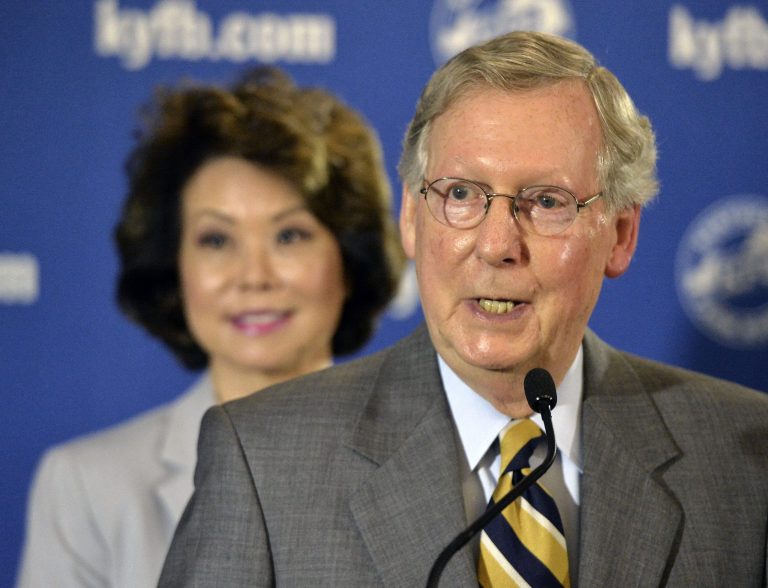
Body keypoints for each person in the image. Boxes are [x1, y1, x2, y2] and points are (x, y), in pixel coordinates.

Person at [159, 32, 768, 587]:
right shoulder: (262, 465)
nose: (498, 244)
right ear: (409, 218)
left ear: (621, 235)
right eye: (460, 195)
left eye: (547, 201)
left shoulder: (746, 461)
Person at [16, 66, 404, 588]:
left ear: (349, 265)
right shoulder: (87, 486)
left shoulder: (434, 465)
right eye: (217, 240)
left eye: (289, 235)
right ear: (174, 269)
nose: (254, 276)